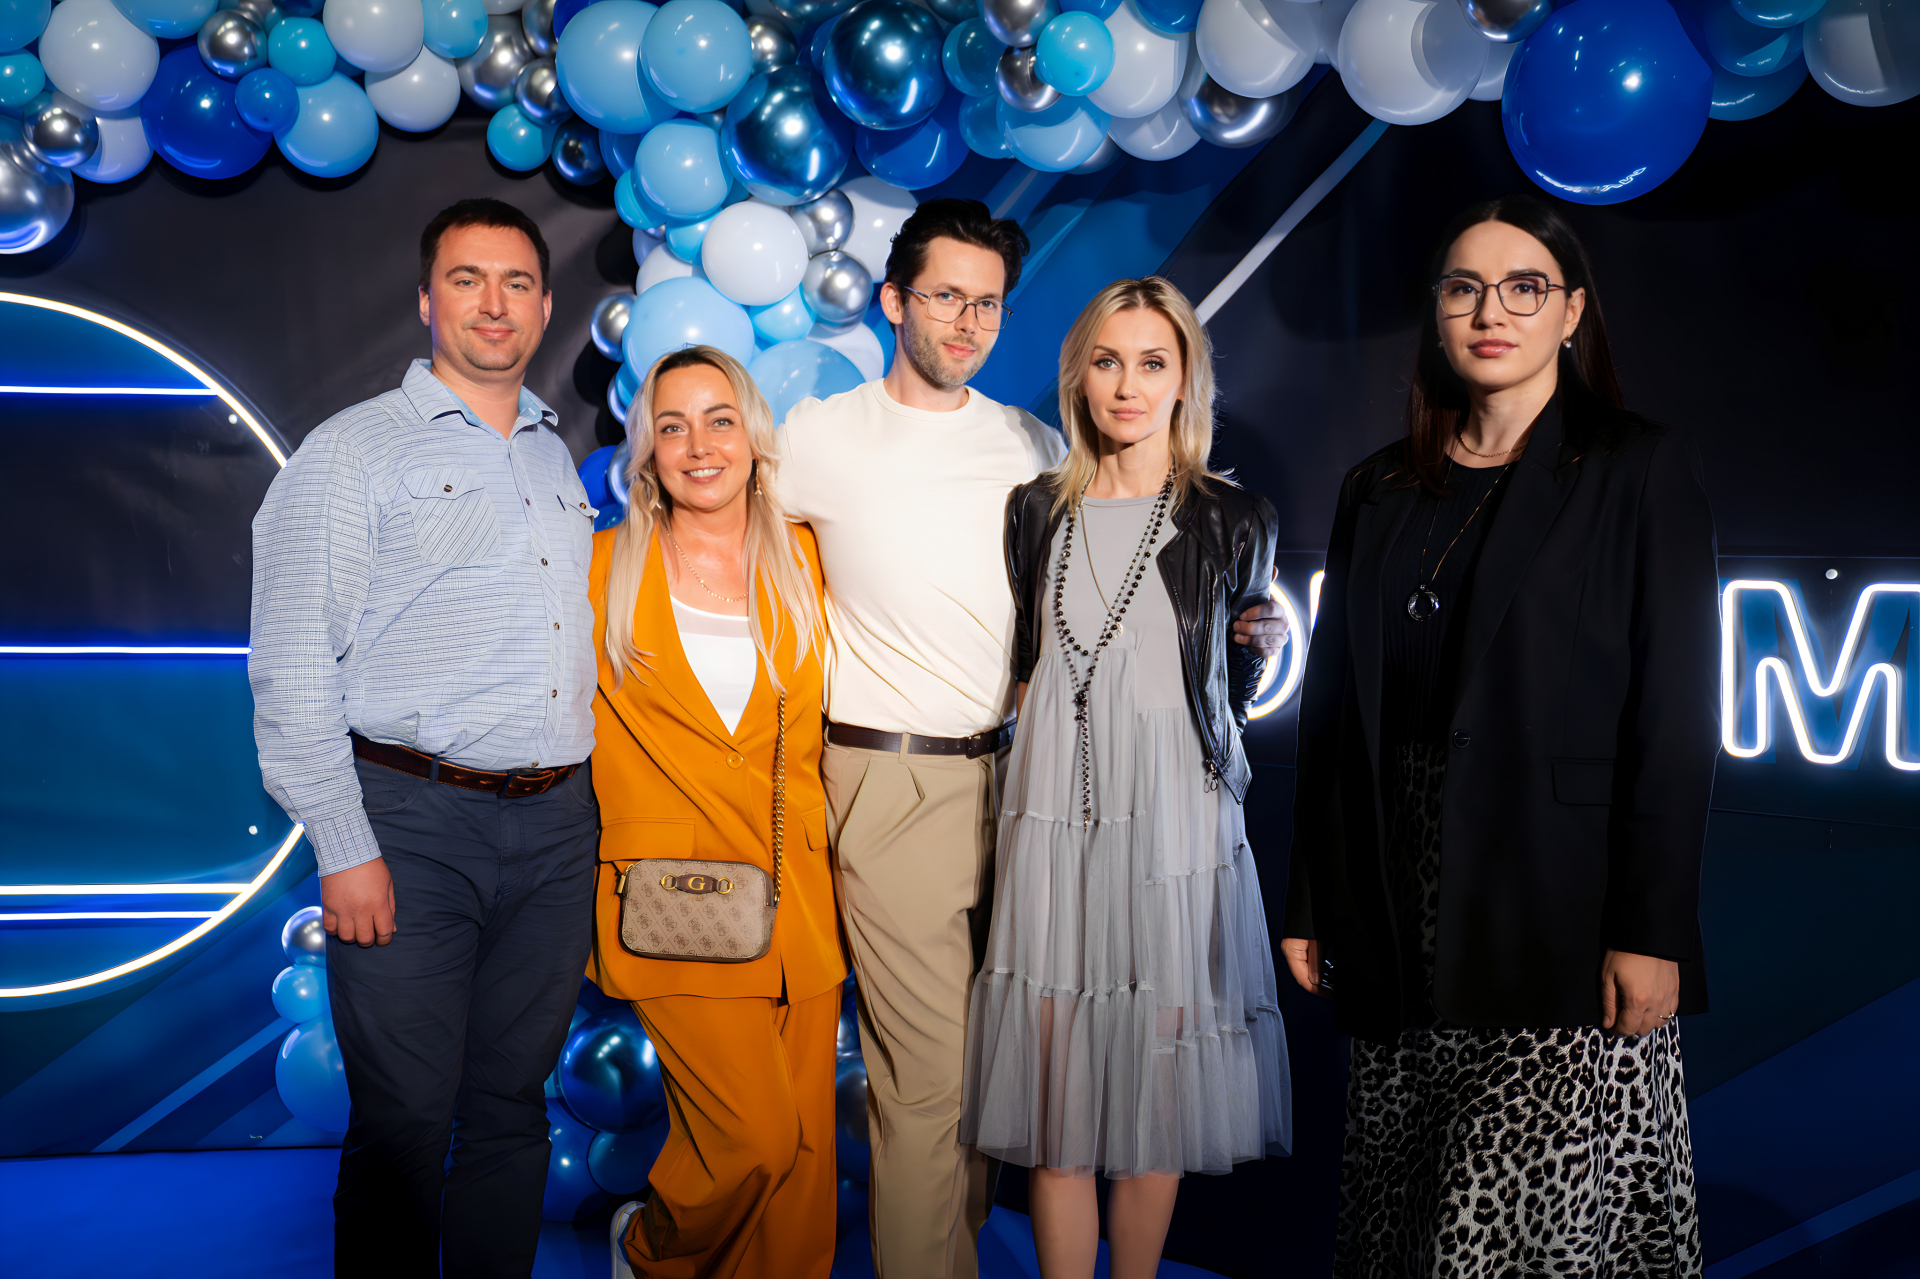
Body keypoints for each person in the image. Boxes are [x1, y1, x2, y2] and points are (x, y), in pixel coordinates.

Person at [776, 200, 1294, 1278]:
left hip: (1063, 796)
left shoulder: (1042, 457)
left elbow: (1194, 673)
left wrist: (1252, 644)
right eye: (944, 296)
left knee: (1042, 1079)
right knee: (962, 1083)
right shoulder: (842, 440)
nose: (966, 320)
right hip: (924, 781)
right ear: (893, 301)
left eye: (987, 302)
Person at [1281, 194, 1719, 1276]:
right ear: (1437, 313)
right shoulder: (1377, 487)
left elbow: (1675, 715)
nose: (1492, 312)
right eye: (1466, 288)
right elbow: (1333, 715)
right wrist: (1313, 899)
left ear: (1571, 313)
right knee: (1402, 1210)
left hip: (1557, 907)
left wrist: (1652, 927)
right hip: (1397, 902)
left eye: (1525, 288)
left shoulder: (1634, 467)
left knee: (1523, 1229)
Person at [249, 197, 599, 1277]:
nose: (494, 303)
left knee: (512, 1108)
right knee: (404, 1121)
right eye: (467, 279)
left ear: (544, 305)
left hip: (556, 828)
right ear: (424, 300)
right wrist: (344, 845)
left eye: (517, 282)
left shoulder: (552, 456)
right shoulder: (349, 452)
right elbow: (292, 661)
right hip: (411, 825)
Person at [967, 276, 1291, 1279]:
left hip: (1174, 833)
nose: (1127, 385)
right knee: (1056, 1096)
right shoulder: (1035, 510)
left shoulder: (1234, 517)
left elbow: (1224, 685)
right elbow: (1029, 668)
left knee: (1158, 1089)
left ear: (1185, 377)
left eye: (1152, 362)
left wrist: (1256, 650)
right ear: (1079, 375)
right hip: (1054, 823)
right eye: (1107, 361)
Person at [585, 346, 844, 1279]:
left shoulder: (809, 558)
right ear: (648, 451)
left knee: (804, 1158)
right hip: (673, 897)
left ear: (753, 436)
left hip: (799, 892)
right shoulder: (601, 569)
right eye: (673, 425)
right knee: (753, 1138)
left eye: (719, 419)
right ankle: (647, 1249)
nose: (699, 445)